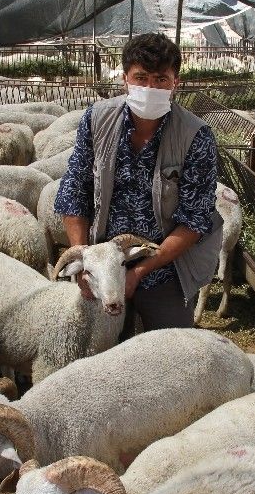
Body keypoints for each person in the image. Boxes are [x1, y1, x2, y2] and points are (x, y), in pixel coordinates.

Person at [54, 32, 222, 334]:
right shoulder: (97, 120)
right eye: (141, 78)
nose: (150, 88)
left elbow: (195, 220)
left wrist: (140, 272)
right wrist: (85, 258)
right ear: (125, 80)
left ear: (175, 83)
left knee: (168, 346)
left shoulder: (195, 136)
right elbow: (74, 189)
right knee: (94, 345)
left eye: (160, 80)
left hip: (165, 267)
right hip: (104, 260)